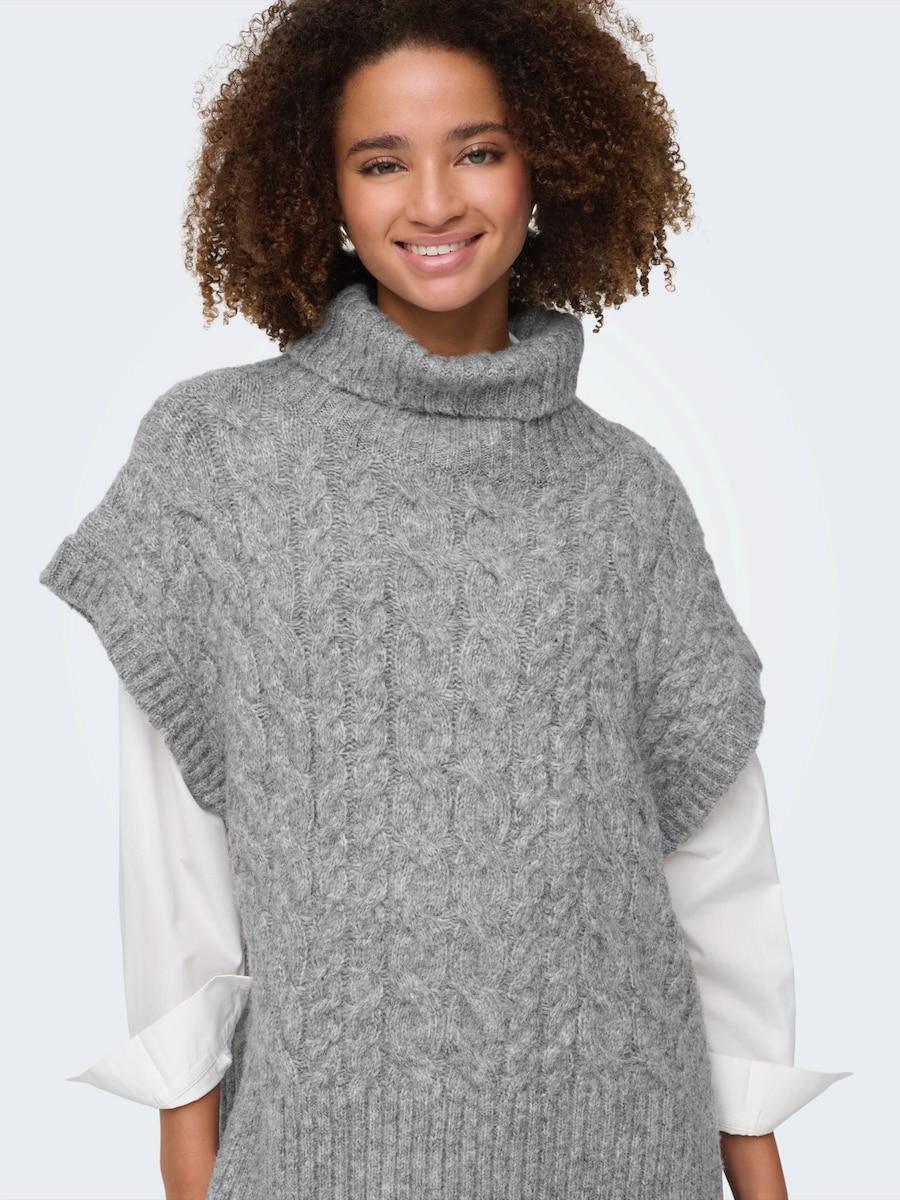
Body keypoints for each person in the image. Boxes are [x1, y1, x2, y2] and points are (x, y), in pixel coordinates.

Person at [39, 1, 851, 1197]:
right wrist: (187, 1145)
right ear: (321, 188)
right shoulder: (219, 461)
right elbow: (176, 863)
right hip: (323, 1152)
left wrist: (759, 1163)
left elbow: (718, 865)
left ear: (547, 167)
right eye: (381, 162)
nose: (433, 201)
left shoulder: (627, 494)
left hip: (625, 1148)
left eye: (478, 150)